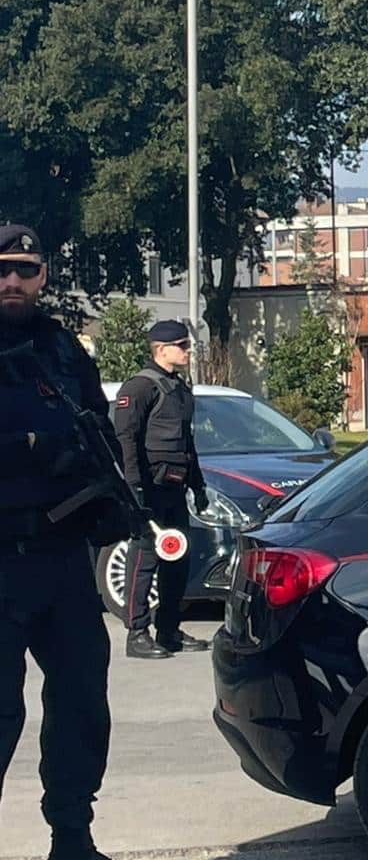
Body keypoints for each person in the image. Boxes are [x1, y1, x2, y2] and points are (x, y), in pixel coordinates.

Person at [0, 224, 127, 860]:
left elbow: (99, 434)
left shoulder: (62, 353)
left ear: (44, 275)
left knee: (81, 702)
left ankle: (72, 836)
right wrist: (28, 449)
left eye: (25, 269)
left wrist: (109, 496)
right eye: (3, 269)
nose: (13, 281)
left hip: (62, 559)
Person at [114, 320, 210, 659]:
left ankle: (168, 629)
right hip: (149, 489)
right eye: (182, 346)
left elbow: (187, 442)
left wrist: (198, 484)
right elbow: (125, 440)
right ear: (161, 349)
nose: (187, 351)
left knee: (177, 560)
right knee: (145, 559)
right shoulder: (141, 387)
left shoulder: (179, 388)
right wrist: (134, 488)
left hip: (174, 487)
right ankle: (136, 632)